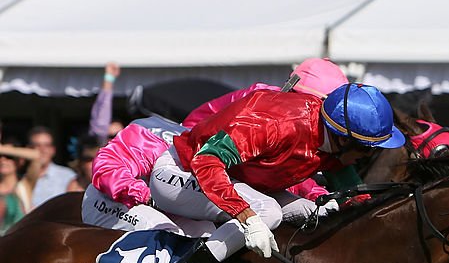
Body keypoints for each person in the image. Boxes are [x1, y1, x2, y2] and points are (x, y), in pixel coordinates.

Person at [143, 82, 405, 263]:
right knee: (267, 212)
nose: (368, 156)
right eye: (366, 149)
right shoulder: (278, 125)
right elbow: (207, 161)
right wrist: (246, 216)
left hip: (237, 180)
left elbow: (352, 190)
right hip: (182, 173)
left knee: (317, 211)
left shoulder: (330, 138)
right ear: (341, 139)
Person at [83, 58, 348, 234]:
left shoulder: (257, 130)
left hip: (172, 188)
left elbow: (278, 177)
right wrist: (146, 197)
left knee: (212, 231)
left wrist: (317, 195)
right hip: (111, 200)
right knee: (175, 233)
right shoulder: (150, 133)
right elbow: (107, 166)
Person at [26, 126, 76, 208]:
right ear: (28, 149)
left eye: (47, 145)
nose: (42, 150)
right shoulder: (21, 178)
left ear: (53, 150)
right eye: (37, 145)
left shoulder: (68, 177)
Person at [0, 138, 41, 234]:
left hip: (19, 243)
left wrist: (2, 148)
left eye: (9, 157)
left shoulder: (25, 185)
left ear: (19, 161)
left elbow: (36, 156)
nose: (3, 160)